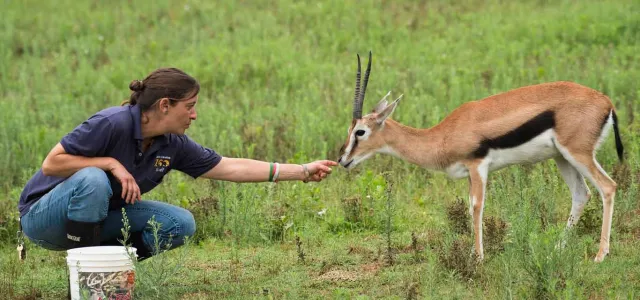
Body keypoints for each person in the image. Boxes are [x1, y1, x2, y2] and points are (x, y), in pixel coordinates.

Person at [18, 67, 337, 260]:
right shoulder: (112, 123)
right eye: (190, 106)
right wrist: (111, 164)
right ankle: (85, 279)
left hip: (100, 220)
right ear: (165, 105)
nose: (195, 115)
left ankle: (109, 276)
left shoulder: (172, 144)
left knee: (180, 223)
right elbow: (52, 163)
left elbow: (230, 168)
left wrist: (303, 171)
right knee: (93, 178)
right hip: (44, 218)